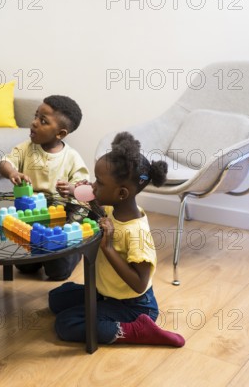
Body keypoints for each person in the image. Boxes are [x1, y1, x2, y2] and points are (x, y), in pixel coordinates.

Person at [48, 132, 185, 347]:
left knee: (66, 323)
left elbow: (139, 284)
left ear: (121, 193)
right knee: (57, 297)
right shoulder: (115, 208)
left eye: (99, 183)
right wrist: (74, 190)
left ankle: (137, 330)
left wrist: (109, 248)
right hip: (108, 292)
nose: (94, 186)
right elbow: (97, 206)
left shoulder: (137, 232)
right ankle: (103, 309)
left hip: (134, 305)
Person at [0, 95, 89, 281]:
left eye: (43, 121)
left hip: (61, 219)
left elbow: (85, 191)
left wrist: (71, 189)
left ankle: (76, 251)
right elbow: (4, 163)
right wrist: (12, 173)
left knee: (58, 272)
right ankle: (40, 254)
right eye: (36, 116)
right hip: (30, 216)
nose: (34, 123)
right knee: (25, 268)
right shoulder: (26, 148)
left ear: (60, 134)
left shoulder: (71, 157)